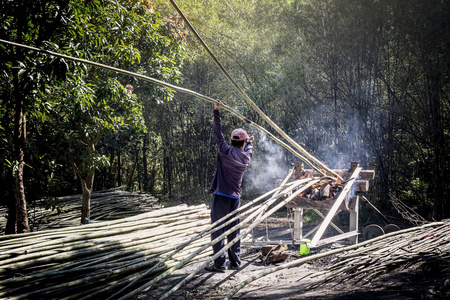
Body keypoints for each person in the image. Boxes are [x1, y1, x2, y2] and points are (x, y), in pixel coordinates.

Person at [207, 99, 254, 272]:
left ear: (232, 140)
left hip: (221, 196)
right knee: (234, 230)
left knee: (218, 229)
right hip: (235, 198)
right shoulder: (246, 157)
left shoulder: (225, 151)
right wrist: (250, 141)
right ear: (243, 142)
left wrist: (216, 111)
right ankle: (236, 263)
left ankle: (219, 264)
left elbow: (217, 134)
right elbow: (249, 147)